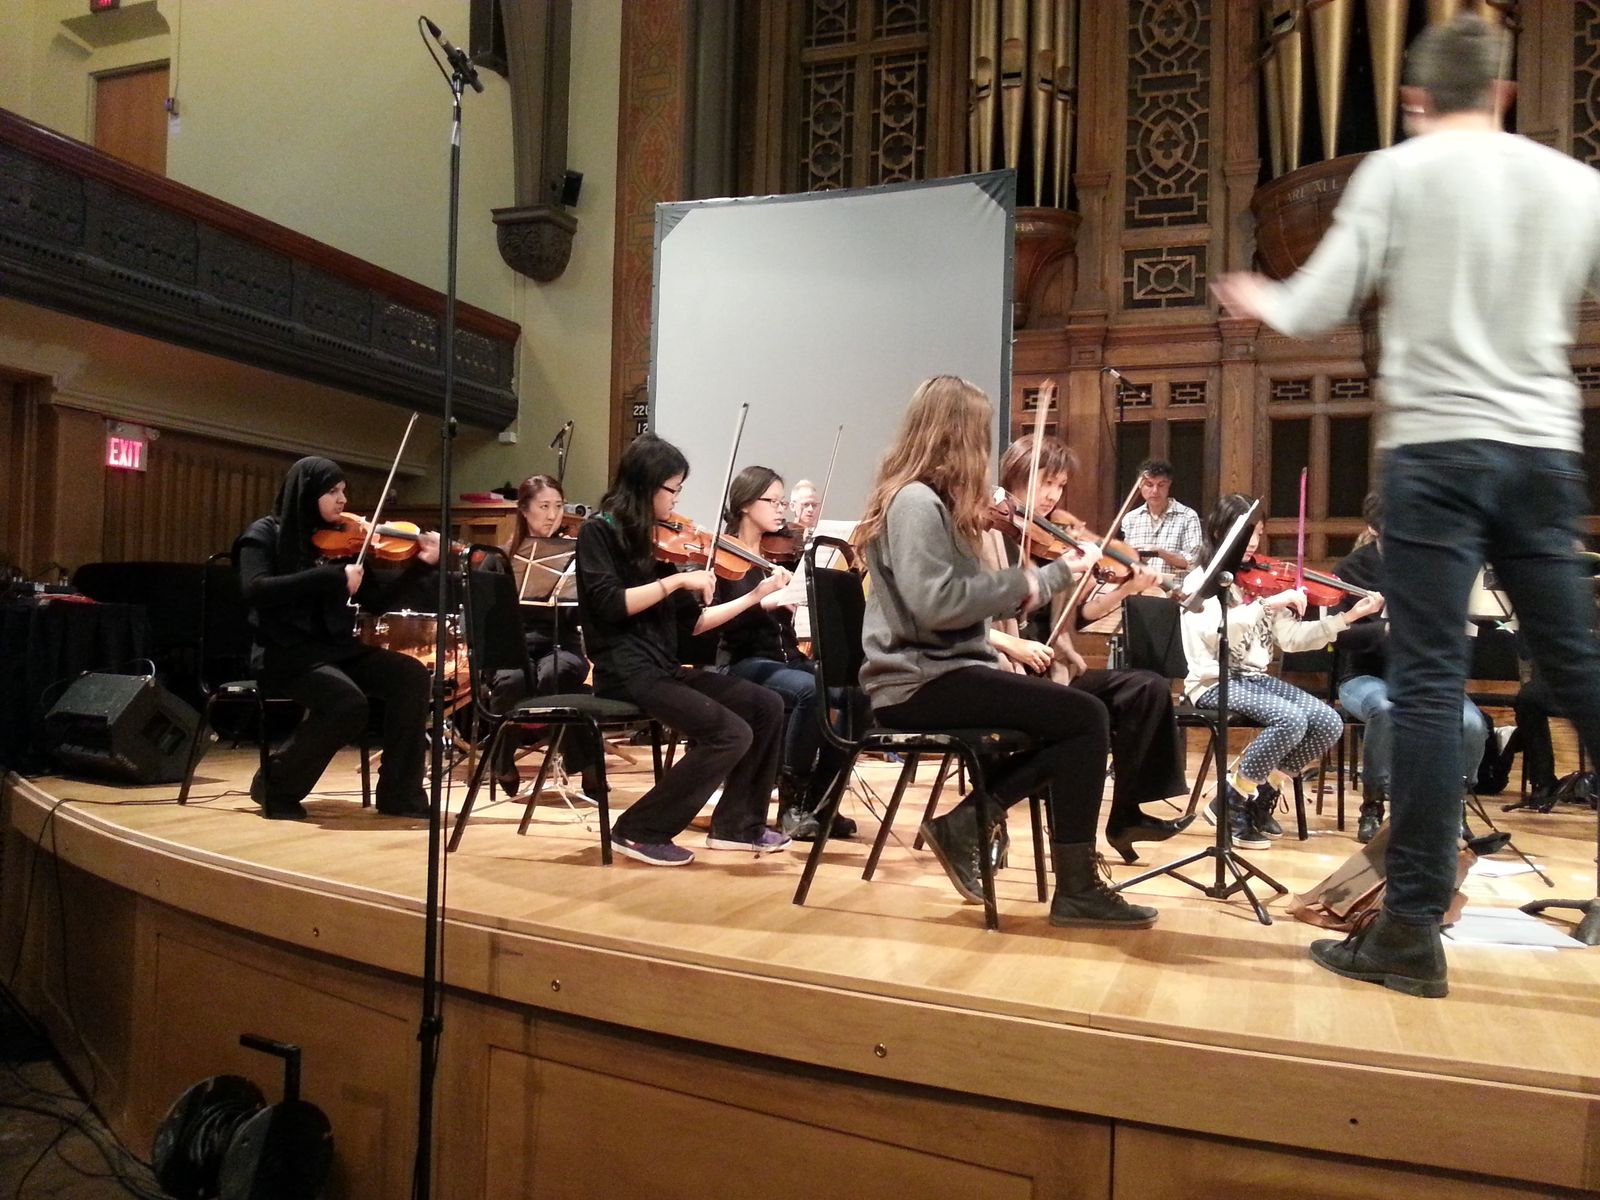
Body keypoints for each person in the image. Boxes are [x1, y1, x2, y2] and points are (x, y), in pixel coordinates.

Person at [1213, 13, 1600, 998]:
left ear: (1415, 100)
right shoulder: (1571, 183)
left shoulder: (1396, 175)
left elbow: (1312, 306)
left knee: (1429, 687)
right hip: (1541, 451)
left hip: (1435, 455)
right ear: (1504, 93)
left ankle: (1410, 933)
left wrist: (1258, 296)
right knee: (1581, 669)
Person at [855, 375, 1157, 929]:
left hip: (944, 672)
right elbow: (938, 604)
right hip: (917, 681)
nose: (984, 449)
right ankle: (1068, 883)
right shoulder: (916, 502)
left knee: (1081, 719)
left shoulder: (937, 504)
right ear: (957, 433)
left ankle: (976, 824)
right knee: (1085, 717)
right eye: (980, 432)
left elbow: (955, 597)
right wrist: (1043, 579)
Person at [574, 433, 792, 866]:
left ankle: (738, 826)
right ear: (646, 484)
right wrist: (675, 581)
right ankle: (639, 830)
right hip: (625, 670)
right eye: (673, 488)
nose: (677, 499)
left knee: (766, 705)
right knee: (730, 733)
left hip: (661, 668)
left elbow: (693, 625)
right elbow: (610, 604)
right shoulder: (599, 532)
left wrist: (754, 596)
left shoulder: (659, 545)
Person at [980, 433, 1191, 863]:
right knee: (1086, 716)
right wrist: (1013, 643)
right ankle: (999, 822)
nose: (1052, 496)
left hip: (1051, 668)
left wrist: (1126, 588)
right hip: (1005, 669)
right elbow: (965, 614)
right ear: (1017, 474)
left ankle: (1127, 812)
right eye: (1046, 482)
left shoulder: (1050, 539)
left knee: (1147, 688)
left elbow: (1077, 618)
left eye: (1060, 486)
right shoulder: (990, 534)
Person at [235, 456, 437, 820]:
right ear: (306, 493)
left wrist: (420, 565)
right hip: (284, 653)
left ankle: (399, 792)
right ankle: (275, 785)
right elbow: (255, 589)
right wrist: (331, 577)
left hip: (336, 650)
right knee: (348, 704)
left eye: (343, 490)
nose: (343, 499)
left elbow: (376, 602)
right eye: (332, 491)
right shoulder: (264, 534)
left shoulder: (344, 539)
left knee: (411, 676)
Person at [1180, 494, 1385, 850]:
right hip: (1213, 680)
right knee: (1290, 719)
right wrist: (1266, 605)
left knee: (1328, 722)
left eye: (1258, 533)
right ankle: (1231, 800)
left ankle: (1259, 796)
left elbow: (1291, 639)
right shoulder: (1202, 582)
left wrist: (1348, 617)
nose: (1254, 542)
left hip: (1255, 679)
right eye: (1246, 533)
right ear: (1218, 531)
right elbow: (1213, 631)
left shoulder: (1262, 579)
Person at [1332, 492, 1490, 843]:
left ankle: (1453, 807)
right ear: (1375, 528)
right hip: (1366, 676)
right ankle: (1374, 804)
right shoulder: (1352, 569)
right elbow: (1337, 635)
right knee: (1388, 709)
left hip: (1425, 678)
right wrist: (1383, 630)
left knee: (1472, 723)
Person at [714, 465, 856, 841]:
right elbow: (720, 621)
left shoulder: (780, 554)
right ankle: (792, 804)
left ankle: (821, 801)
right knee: (811, 691)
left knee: (854, 694)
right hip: (744, 661)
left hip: (786, 658)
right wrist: (765, 598)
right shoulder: (725, 554)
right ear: (746, 505)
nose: (782, 510)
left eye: (782, 502)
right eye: (773, 501)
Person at [491, 473, 592, 795]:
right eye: (544, 506)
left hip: (561, 644)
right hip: (512, 647)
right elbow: (486, 617)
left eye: (558, 506)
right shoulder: (499, 559)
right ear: (524, 509)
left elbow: (582, 615)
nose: (553, 515)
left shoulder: (574, 558)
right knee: (512, 681)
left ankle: (583, 761)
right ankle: (502, 758)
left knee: (556, 674)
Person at [1118, 459, 1202, 585]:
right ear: (1140, 485)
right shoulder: (1130, 518)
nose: (1155, 491)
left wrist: (1159, 553)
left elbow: (1192, 562)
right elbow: (1126, 561)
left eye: (1161, 485)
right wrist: (1137, 558)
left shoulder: (1188, 516)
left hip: (1174, 591)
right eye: (1149, 485)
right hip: (1139, 589)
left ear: (1169, 485)